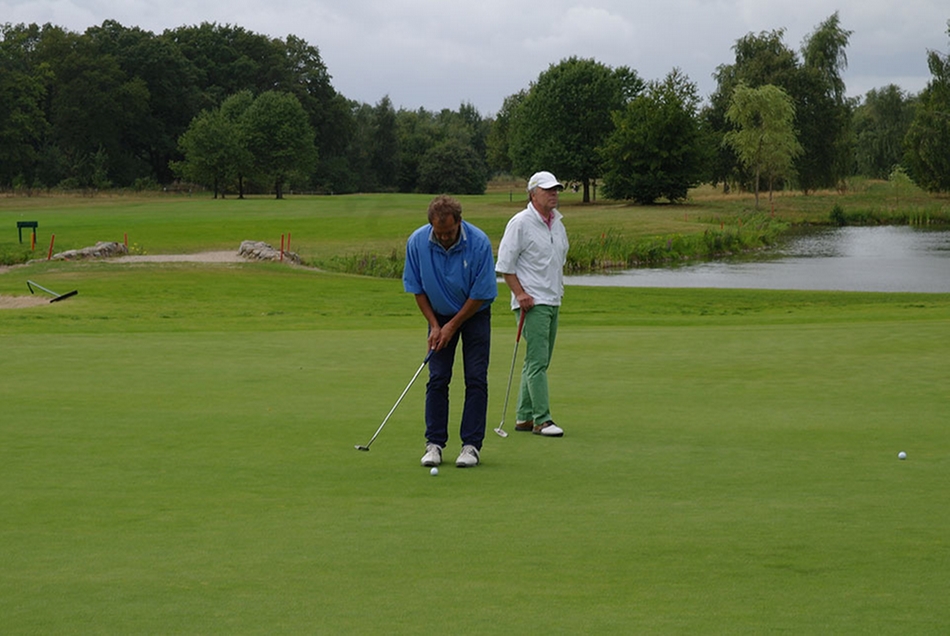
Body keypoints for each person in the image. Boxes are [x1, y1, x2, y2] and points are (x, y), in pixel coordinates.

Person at [403, 195, 498, 467]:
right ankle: (434, 444)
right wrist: (435, 325)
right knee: (438, 377)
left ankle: (471, 446)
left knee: (476, 378)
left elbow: (481, 293)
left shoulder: (479, 243)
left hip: (474, 313)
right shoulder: (417, 242)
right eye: (439, 232)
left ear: (459, 222)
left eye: (449, 231)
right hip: (438, 314)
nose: (444, 237)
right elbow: (417, 288)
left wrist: (452, 325)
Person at [495, 171, 569, 437]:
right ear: (533, 194)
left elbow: (559, 260)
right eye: (548, 190)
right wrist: (520, 294)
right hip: (532, 303)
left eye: (556, 189)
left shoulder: (557, 223)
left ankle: (524, 416)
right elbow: (505, 266)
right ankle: (542, 420)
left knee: (538, 360)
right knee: (538, 361)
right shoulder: (520, 223)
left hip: (553, 299)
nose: (554, 194)